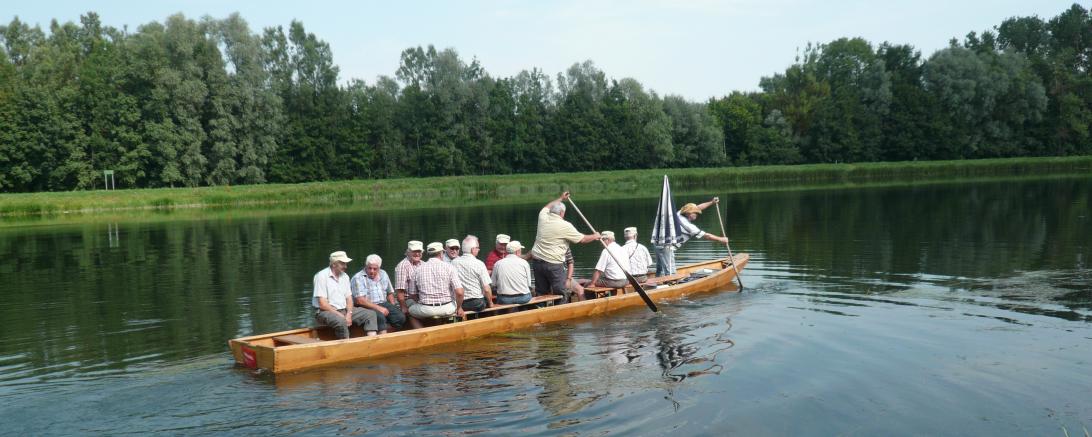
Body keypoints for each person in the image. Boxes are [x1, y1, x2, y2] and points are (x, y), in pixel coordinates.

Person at [530, 192, 600, 301]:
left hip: (537, 263)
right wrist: (595, 236)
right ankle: (563, 311)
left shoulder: (542, 216)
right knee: (561, 292)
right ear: (562, 213)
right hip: (553, 264)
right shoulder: (565, 225)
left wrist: (561, 198)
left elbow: (546, 206)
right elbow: (583, 239)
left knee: (541, 293)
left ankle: (542, 311)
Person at [654, 198, 730, 275]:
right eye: (695, 213)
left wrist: (712, 202)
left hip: (658, 242)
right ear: (688, 213)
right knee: (671, 272)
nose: (697, 214)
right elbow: (707, 236)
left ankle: (657, 280)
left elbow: (698, 207)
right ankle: (670, 284)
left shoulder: (679, 214)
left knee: (660, 268)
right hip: (666, 247)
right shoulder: (689, 226)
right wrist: (721, 239)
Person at [313, 251, 379, 339]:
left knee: (371, 314)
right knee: (341, 321)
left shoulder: (345, 276)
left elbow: (349, 299)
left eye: (345, 263)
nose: (345, 266)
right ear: (334, 264)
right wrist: (341, 315)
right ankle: (346, 346)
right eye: (342, 264)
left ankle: (371, 341)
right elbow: (322, 304)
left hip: (344, 310)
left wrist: (349, 313)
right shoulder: (321, 276)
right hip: (324, 312)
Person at [407, 242, 465, 327]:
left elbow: (412, 294)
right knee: (456, 313)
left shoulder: (417, 270)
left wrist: (420, 301)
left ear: (428, 254)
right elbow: (460, 292)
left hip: (426, 309)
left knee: (410, 312)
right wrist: (459, 307)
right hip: (447, 307)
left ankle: (421, 332)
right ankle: (452, 328)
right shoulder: (450, 267)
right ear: (441, 253)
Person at [351, 254, 406, 333]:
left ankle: (392, 334)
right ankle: (382, 337)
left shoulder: (383, 273)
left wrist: (393, 306)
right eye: (369, 268)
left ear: (379, 268)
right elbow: (359, 300)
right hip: (366, 305)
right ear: (366, 266)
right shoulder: (358, 278)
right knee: (380, 317)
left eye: (375, 269)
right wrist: (379, 308)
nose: (372, 271)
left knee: (400, 317)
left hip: (383, 302)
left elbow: (389, 292)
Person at [451, 235, 494, 313]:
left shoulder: (453, 263)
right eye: (477, 247)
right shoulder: (479, 264)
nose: (479, 249)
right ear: (473, 250)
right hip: (477, 303)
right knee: (486, 301)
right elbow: (487, 289)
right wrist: (491, 303)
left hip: (460, 303)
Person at [491, 240, 533, 305]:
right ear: (517, 252)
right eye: (520, 250)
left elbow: (493, 284)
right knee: (530, 293)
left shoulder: (497, 264)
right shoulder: (524, 263)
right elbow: (529, 284)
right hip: (523, 298)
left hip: (504, 299)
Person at [394, 240, 424, 317]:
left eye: (419, 251)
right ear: (408, 252)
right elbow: (399, 290)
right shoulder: (402, 266)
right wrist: (403, 307)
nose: (417, 253)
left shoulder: (424, 264)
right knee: (418, 308)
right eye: (414, 251)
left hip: (422, 297)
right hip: (408, 299)